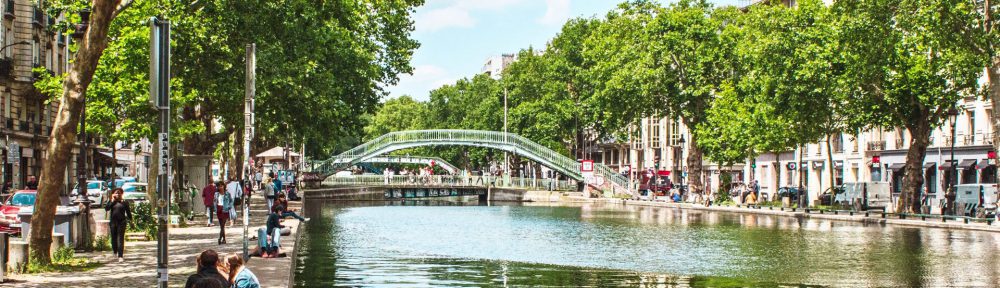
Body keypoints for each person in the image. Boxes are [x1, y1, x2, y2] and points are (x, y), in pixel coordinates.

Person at [104, 188, 132, 263]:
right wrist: (112, 201)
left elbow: (128, 212)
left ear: (122, 194)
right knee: (113, 238)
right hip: (113, 222)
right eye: (116, 193)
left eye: (119, 193)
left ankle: (120, 256)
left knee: (120, 239)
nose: (117, 194)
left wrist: (131, 220)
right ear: (113, 194)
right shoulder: (111, 202)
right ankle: (115, 251)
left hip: (122, 222)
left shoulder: (124, 202)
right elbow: (107, 208)